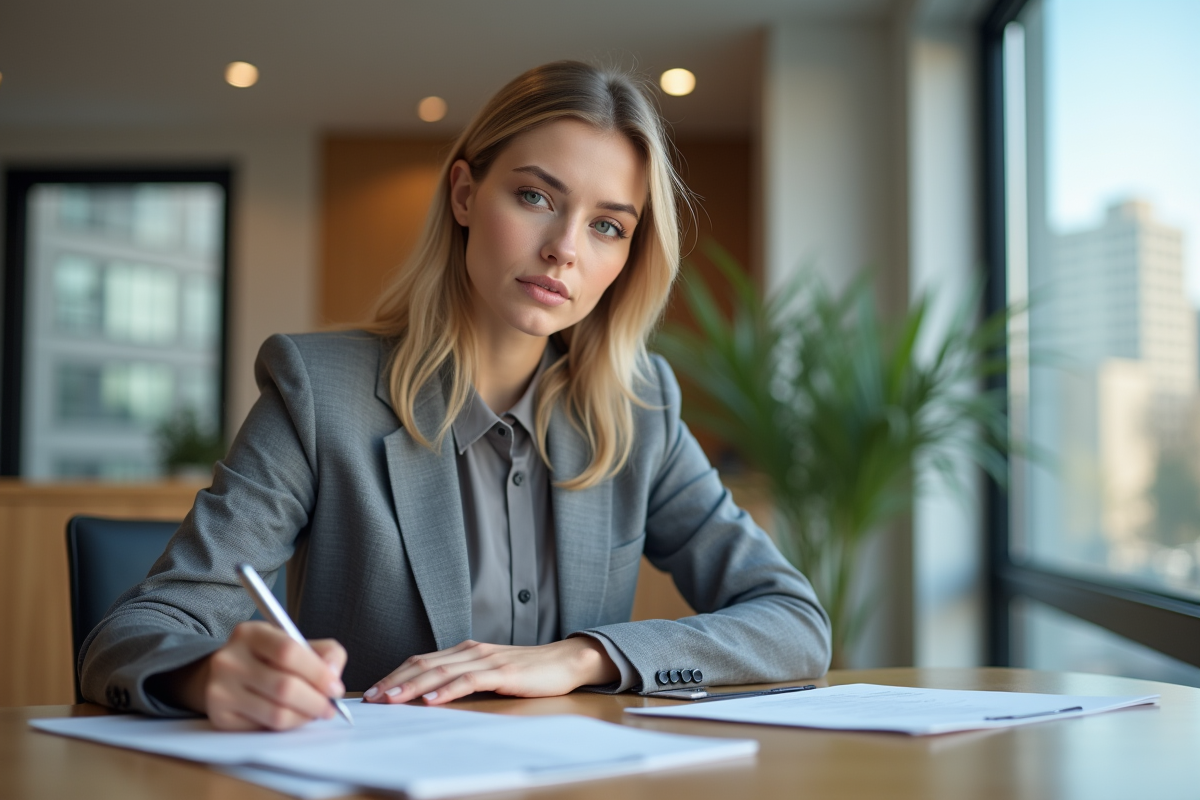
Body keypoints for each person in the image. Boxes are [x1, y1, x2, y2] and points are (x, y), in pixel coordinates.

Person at [80, 60, 831, 731]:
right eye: (536, 196)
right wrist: (209, 674)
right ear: (466, 193)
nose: (565, 248)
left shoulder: (640, 409)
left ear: (628, 259)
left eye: (607, 225)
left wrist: (580, 657)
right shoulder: (319, 393)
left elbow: (793, 622)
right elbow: (135, 632)